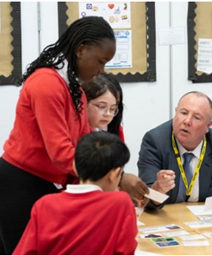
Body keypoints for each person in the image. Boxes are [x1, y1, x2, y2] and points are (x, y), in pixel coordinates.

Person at [0, 16, 117, 254]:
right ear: (81, 49)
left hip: (49, 186)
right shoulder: (46, 83)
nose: (102, 71)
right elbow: (61, 152)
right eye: (101, 61)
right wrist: (112, 177)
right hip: (20, 185)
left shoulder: (75, 90)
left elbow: (85, 148)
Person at [138, 91, 212, 220]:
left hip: (207, 223)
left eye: (197, 117)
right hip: (167, 221)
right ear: (175, 112)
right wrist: (158, 189)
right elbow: (146, 198)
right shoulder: (155, 141)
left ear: (208, 126)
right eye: (183, 113)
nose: (187, 121)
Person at [13, 132, 137, 255]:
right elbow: (125, 250)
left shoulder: (43, 204)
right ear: (115, 173)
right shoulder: (120, 202)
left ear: (74, 165)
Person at [81, 73, 149, 206]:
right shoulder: (76, 132)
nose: (108, 114)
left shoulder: (115, 131)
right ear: (84, 102)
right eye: (101, 107)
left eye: (113, 109)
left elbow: (116, 173)